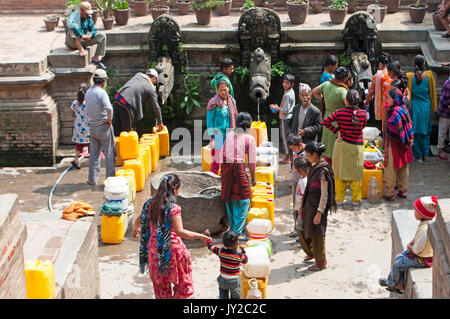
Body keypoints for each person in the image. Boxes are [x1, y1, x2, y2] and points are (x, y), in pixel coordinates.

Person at [132, 174, 210, 299]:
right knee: (184, 287)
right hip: (173, 253)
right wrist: (201, 236)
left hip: (154, 252)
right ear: (175, 189)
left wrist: (136, 229)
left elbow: (138, 220)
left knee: (161, 289)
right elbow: (180, 232)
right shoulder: (173, 209)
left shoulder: (149, 203)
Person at [379, 196, 438, 294]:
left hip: (423, 259)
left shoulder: (424, 229)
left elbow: (418, 249)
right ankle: (398, 284)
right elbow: (418, 239)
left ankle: (392, 284)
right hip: (420, 254)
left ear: (423, 214)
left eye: (416, 210)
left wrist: (411, 248)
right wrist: (412, 242)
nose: (414, 212)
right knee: (399, 257)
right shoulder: (425, 223)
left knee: (398, 264)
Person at [322, 89, 367, 206]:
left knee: (340, 172)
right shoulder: (363, 114)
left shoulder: (339, 112)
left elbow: (325, 122)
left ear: (346, 100)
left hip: (342, 145)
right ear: (358, 100)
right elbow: (362, 127)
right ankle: (356, 199)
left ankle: (339, 199)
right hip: (357, 146)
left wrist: (337, 130)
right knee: (355, 173)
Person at [297, 141, 336, 271]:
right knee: (303, 230)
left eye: (307, 154)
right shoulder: (314, 165)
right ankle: (311, 252)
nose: (306, 157)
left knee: (318, 234)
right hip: (308, 204)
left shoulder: (323, 170)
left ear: (314, 155)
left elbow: (324, 195)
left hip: (317, 207)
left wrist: (319, 212)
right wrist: (302, 205)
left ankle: (321, 262)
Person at [221, 112, 257, 238]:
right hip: (237, 169)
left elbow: (223, 152)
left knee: (230, 196)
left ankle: (233, 228)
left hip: (226, 169)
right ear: (249, 126)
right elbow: (252, 163)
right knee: (244, 199)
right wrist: (253, 178)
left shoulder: (230, 134)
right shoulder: (250, 139)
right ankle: (237, 232)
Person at [312, 67, 350, 166]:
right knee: (336, 145)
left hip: (327, 117)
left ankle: (326, 166)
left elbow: (314, 91)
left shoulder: (326, 84)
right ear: (345, 78)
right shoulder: (342, 91)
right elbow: (348, 105)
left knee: (327, 144)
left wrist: (322, 99)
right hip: (338, 120)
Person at [85, 69, 116, 185]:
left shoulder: (88, 92)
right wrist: (109, 119)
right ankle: (110, 180)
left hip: (92, 127)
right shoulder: (101, 93)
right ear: (103, 81)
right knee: (109, 153)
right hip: (103, 127)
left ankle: (92, 179)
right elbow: (109, 108)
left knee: (93, 154)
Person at [383, 88, 414, 201]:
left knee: (390, 168)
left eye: (389, 97)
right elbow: (409, 125)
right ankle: (403, 190)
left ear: (395, 99)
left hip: (394, 144)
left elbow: (391, 129)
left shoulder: (393, 112)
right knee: (403, 168)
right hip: (405, 143)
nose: (387, 99)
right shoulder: (404, 109)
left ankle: (390, 193)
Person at [406, 55, 438, 163]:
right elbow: (432, 92)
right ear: (424, 64)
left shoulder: (410, 77)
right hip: (426, 107)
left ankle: (418, 156)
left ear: (414, 64)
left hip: (414, 107)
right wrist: (434, 107)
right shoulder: (429, 75)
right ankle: (426, 155)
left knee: (415, 131)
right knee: (426, 131)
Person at [113, 69, 163, 134]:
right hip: (126, 104)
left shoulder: (138, 75)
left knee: (118, 129)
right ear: (154, 78)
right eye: (155, 82)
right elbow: (156, 108)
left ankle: (117, 144)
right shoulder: (150, 88)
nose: (154, 84)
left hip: (118, 98)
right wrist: (160, 122)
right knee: (129, 133)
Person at [204, 229, 248, 299]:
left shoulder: (220, 252)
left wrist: (208, 237)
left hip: (222, 279)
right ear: (237, 243)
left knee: (223, 297)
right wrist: (243, 251)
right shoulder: (239, 256)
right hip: (234, 281)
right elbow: (245, 261)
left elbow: (210, 247)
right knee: (235, 297)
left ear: (223, 243)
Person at [207, 79, 239, 175]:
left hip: (230, 133)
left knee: (229, 159)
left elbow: (235, 117)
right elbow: (209, 121)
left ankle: (227, 179)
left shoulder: (232, 101)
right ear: (217, 90)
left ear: (228, 88)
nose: (223, 92)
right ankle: (213, 179)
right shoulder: (213, 103)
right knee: (216, 160)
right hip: (218, 135)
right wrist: (212, 137)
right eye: (221, 90)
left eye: (225, 89)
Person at [65, 2, 107, 70]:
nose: (88, 14)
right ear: (81, 10)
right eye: (86, 13)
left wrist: (90, 34)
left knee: (102, 36)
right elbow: (75, 30)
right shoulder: (73, 17)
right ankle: (80, 49)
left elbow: (94, 29)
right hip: (72, 43)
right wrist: (82, 35)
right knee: (72, 28)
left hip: (83, 40)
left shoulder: (88, 17)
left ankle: (96, 59)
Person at [364, 53, 393, 140]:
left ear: (380, 63)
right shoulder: (392, 74)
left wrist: (367, 101)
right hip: (394, 104)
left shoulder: (377, 76)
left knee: (384, 129)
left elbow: (371, 92)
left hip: (383, 106)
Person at [270, 73, 296, 164]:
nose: (285, 84)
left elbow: (285, 110)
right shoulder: (289, 91)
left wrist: (275, 108)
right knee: (287, 137)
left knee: (285, 138)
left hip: (285, 118)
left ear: (292, 84)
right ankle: (289, 156)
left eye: (287, 83)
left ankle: (287, 157)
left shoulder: (288, 94)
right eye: (284, 82)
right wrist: (279, 107)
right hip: (287, 117)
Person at [287, 135, 306, 237]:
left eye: (294, 148)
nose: (293, 150)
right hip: (295, 181)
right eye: (291, 149)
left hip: (304, 183)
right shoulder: (295, 151)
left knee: (303, 207)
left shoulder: (307, 153)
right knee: (296, 206)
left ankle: (303, 231)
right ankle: (296, 229)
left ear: (301, 145)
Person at [71, 83, 90, 169]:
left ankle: (76, 159)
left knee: (79, 145)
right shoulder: (88, 104)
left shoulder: (75, 103)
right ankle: (92, 161)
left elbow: (72, 114)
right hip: (87, 128)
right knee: (91, 144)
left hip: (78, 128)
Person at [437, 75, 450, 160]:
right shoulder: (448, 84)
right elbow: (446, 101)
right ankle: (440, 151)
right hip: (445, 112)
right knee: (442, 133)